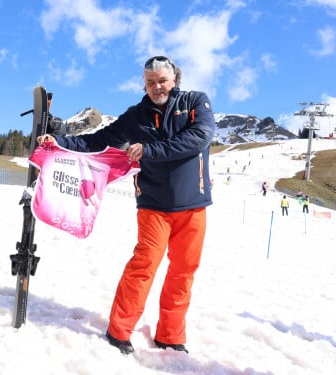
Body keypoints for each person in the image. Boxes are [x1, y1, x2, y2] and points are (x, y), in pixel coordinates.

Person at [37, 56, 216, 354]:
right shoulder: (136, 116)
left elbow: (199, 138)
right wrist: (57, 142)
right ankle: (119, 331)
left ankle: (170, 336)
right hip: (153, 205)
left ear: (174, 80)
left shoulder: (196, 102)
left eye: (162, 81)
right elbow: (100, 141)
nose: (157, 87)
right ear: (144, 84)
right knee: (143, 266)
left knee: (183, 272)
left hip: (192, 205)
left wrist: (149, 150)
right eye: (150, 82)